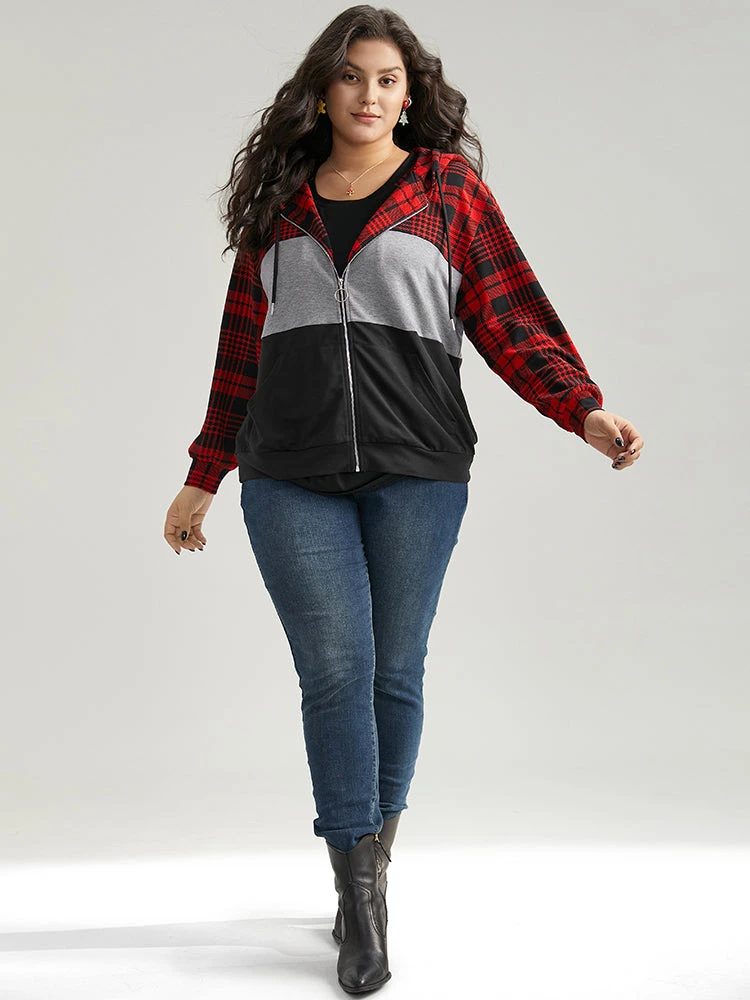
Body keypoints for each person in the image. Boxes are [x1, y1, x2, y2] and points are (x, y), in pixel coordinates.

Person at [163, 6, 644, 994]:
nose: (369, 95)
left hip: (419, 467)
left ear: (410, 93)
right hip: (288, 471)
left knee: (394, 671)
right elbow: (241, 350)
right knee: (335, 673)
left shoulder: (447, 191)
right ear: (322, 90)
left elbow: (511, 317)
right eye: (351, 77)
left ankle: (370, 871)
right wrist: (206, 472)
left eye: (387, 79)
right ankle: (360, 891)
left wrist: (583, 409)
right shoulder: (280, 203)